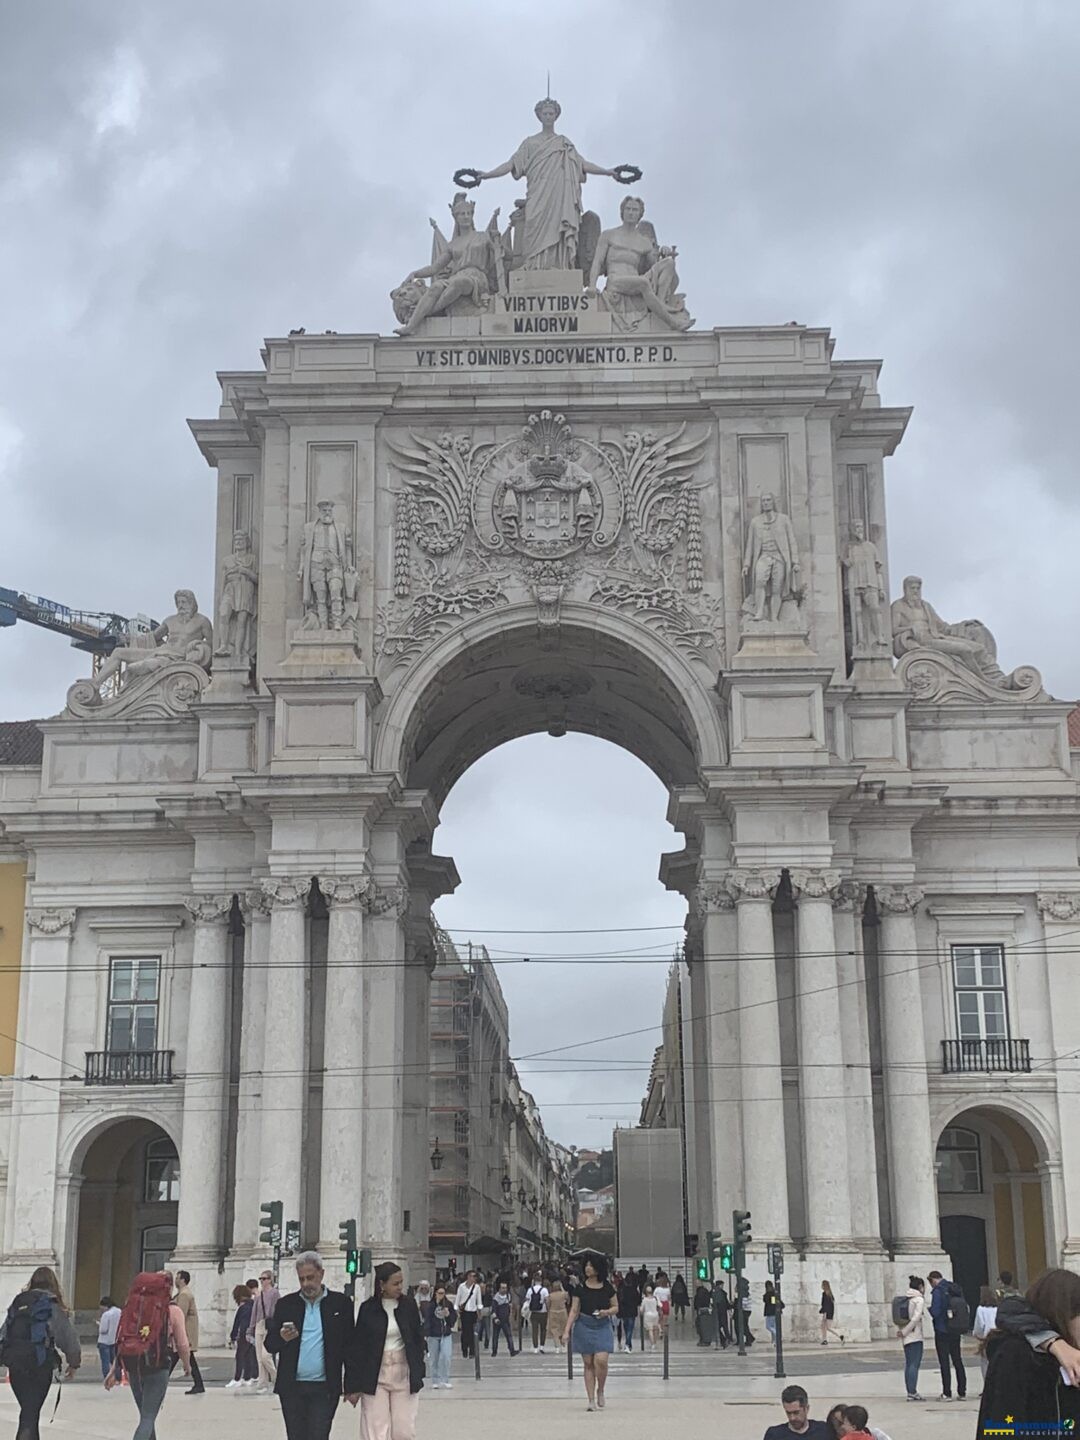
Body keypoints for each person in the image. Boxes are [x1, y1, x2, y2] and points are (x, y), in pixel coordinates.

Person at [471, 97, 628, 271]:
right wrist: (486, 175)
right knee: (534, 230)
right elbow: (511, 165)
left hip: (559, 195)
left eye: (551, 113)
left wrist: (609, 171)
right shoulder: (529, 143)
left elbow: (582, 164)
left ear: (556, 116)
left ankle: (558, 266)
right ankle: (533, 266)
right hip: (537, 194)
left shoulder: (563, 143)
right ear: (538, 116)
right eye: (544, 113)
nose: (548, 117)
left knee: (558, 228)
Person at [264, 1250, 360, 1440]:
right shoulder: (286, 1304)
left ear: (321, 1274)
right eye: (302, 1279)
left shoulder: (340, 1304)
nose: (307, 1284)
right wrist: (282, 1337)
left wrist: (352, 1385)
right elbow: (270, 1345)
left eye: (311, 1278)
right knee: (296, 1436)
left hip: (325, 1387)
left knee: (319, 1435)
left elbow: (350, 1347)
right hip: (292, 1387)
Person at [106, 1269, 190, 1440]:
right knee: (148, 1418)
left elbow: (123, 1339)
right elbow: (182, 1343)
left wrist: (115, 1368)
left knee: (145, 1415)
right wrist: (187, 1365)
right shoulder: (172, 1311)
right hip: (158, 1365)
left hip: (133, 1365)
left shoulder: (133, 1307)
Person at [0, 1266, 81, 1440]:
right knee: (30, 1415)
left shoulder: (18, 1302)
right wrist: (74, 1364)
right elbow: (68, 1338)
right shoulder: (52, 1306)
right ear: (53, 1283)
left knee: (29, 1412)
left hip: (16, 1366)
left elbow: (4, 1332)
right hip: (39, 1365)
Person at [355, 1261, 425, 1440]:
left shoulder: (408, 1306)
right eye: (395, 1283)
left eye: (401, 1282)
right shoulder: (368, 1309)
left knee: (403, 1430)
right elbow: (358, 1346)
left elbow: (417, 1338)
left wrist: (419, 1367)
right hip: (375, 1374)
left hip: (404, 1373)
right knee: (376, 1430)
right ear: (381, 1284)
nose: (400, 1287)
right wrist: (353, 1384)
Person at [567, 1255, 617, 1412]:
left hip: (602, 1325)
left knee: (601, 1360)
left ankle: (600, 1389)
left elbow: (616, 1307)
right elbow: (574, 1310)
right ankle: (590, 1400)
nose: (588, 1268)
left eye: (591, 1265)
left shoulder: (607, 1287)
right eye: (586, 1265)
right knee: (588, 1363)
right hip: (584, 1325)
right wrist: (566, 1330)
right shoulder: (580, 1288)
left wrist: (606, 1312)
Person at [927, 1269, 967, 1400]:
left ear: (933, 1280)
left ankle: (947, 1392)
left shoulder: (938, 1291)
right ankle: (962, 1392)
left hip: (942, 1330)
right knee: (957, 1360)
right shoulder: (953, 1288)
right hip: (955, 1329)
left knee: (944, 1362)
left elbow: (935, 1311)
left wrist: (930, 1310)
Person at [762, 1384, 834, 1440]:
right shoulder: (774, 1435)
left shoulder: (824, 1430)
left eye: (796, 1413)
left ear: (807, 1409)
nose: (792, 1418)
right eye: (788, 1413)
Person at [896, 1274, 927, 1401]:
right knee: (914, 1363)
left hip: (907, 1336)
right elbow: (915, 1318)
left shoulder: (907, 1299)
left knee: (909, 1364)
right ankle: (912, 1391)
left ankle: (910, 1390)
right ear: (920, 1287)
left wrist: (903, 1332)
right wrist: (905, 1331)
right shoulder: (919, 1300)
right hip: (914, 1335)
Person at [250, 1267, 280, 1395]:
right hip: (259, 1324)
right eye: (260, 1279)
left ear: (270, 1280)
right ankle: (262, 1383)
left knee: (265, 1355)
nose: (262, 1281)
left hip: (270, 1325)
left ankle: (276, 1378)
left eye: (264, 1278)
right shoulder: (258, 1295)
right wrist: (250, 1328)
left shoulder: (275, 1293)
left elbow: (277, 1309)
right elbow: (254, 1313)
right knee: (259, 1357)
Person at [173, 1270, 204, 1395]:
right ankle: (199, 1384)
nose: (175, 1280)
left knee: (175, 1355)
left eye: (177, 1278)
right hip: (187, 1332)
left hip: (186, 1332)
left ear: (182, 1280)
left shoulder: (184, 1295)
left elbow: (180, 1314)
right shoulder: (183, 1293)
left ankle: (162, 1383)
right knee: (187, 1358)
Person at [424, 1283, 456, 1390]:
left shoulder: (448, 1304)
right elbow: (427, 1319)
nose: (441, 1296)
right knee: (434, 1358)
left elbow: (452, 1321)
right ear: (435, 1293)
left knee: (446, 1356)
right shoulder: (430, 1305)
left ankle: (445, 1379)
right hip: (433, 1335)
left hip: (445, 1334)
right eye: (439, 1293)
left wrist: (448, 1315)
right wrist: (426, 1333)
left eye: (443, 1293)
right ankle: (435, 1380)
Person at [227, 1283, 258, 1389]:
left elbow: (238, 1323)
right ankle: (247, 1378)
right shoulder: (253, 1305)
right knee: (248, 1356)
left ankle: (237, 1379)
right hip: (252, 1334)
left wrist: (234, 1336)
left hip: (244, 1334)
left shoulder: (243, 1307)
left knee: (240, 1356)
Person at [453, 1270, 482, 1359]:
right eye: (472, 1276)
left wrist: (479, 1311)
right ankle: (464, 1349)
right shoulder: (461, 1287)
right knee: (465, 1332)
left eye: (475, 1276)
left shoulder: (477, 1287)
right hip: (464, 1312)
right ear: (468, 1277)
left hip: (473, 1312)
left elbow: (479, 1299)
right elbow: (458, 1298)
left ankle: (472, 1351)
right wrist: (456, 1309)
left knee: (472, 1332)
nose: (474, 1278)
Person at [973, 1283, 999, 1380]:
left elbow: (979, 1325)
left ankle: (987, 1385)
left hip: (986, 1337)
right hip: (997, 1335)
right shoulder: (997, 1308)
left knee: (985, 1363)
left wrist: (976, 1334)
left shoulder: (980, 1309)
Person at [97, 1295, 121, 1379]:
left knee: (105, 1362)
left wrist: (99, 1324)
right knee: (115, 1361)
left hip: (104, 1341)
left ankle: (107, 1378)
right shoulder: (120, 1312)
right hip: (115, 1340)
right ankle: (118, 1377)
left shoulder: (106, 1315)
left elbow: (103, 1329)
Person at [489, 1280, 516, 1357]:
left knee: (509, 1335)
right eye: (503, 1288)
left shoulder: (508, 1296)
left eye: (505, 1288)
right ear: (499, 1289)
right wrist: (495, 1319)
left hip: (505, 1320)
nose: (504, 1289)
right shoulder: (495, 1298)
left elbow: (509, 1306)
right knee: (495, 1336)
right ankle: (494, 1352)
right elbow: (493, 1310)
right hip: (498, 1320)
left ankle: (512, 1350)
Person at [525, 1269, 549, 1353]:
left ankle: (535, 1347)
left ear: (534, 1281)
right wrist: (548, 1310)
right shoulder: (544, 1290)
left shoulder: (530, 1290)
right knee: (543, 1329)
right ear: (541, 1281)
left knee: (534, 1330)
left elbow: (527, 1300)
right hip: (543, 1312)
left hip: (533, 1312)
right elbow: (547, 1301)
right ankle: (542, 1346)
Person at [616, 1271, 640, 1352]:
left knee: (626, 1328)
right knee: (630, 1328)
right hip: (632, 1311)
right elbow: (638, 1300)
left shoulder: (622, 1289)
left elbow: (618, 1299)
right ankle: (627, 1344)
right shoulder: (634, 1290)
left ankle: (628, 1344)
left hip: (624, 1310)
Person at [547, 1280, 570, 1353]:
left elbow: (548, 1304)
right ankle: (563, 1345)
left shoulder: (550, 1295)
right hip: (562, 1312)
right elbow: (568, 1301)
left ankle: (557, 1346)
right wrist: (562, 1289)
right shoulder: (564, 1294)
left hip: (553, 1312)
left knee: (554, 1330)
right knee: (563, 1329)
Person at [819, 1281, 844, 1345]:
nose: (821, 1286)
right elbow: (830, 1305)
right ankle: (824, 1340)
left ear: (824, 1286)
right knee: (823, 1326)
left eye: (822, 1285)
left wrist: (824, 1313)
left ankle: (840, 1336)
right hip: (829, 1312)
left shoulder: (825, 1294)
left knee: (827, 1327)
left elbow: (825, 1305)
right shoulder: (830, 1294)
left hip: (827, 1313)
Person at [639, 1283, 661, 1350]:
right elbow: (660, 1305)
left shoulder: (645, 1300)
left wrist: (641, 1312)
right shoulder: (655, 1298)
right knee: (655, 1329)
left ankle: (652, 1344)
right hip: (655, 1314)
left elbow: (641, 1309)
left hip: (648, 1315)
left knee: (650, 1330)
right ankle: (655, 1341)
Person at [694, 1281, 715, 1347]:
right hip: (704, 1309)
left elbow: (699, 1301)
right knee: (701, 1325)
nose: (695, 1285)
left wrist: (698, 1308)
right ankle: (704, 1340)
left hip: (702, 1310)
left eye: (697, 1283)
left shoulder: (700, 1292)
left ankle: (704, 1340)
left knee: (701, 1325)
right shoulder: (703, 1291)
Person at [764, 1280, 784, 1345]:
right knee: (773, 1327)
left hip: (771, 1313)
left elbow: (772, 1303)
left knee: (768, 1326)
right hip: (774, 1313)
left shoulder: (771, 1294)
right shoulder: (774, 1293)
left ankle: (777, 1337)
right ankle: (774, 1341)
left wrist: (766, 1295)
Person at [713, 1283, 731, 1349]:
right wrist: (729, 1308)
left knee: (718, 1327)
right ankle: (727, 1338)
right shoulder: (722, 1293)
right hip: (722, 1312)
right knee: (724, 1326)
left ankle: (725, 1339)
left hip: (718, 1312)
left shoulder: (714, 1292)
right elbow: (725, 1302)